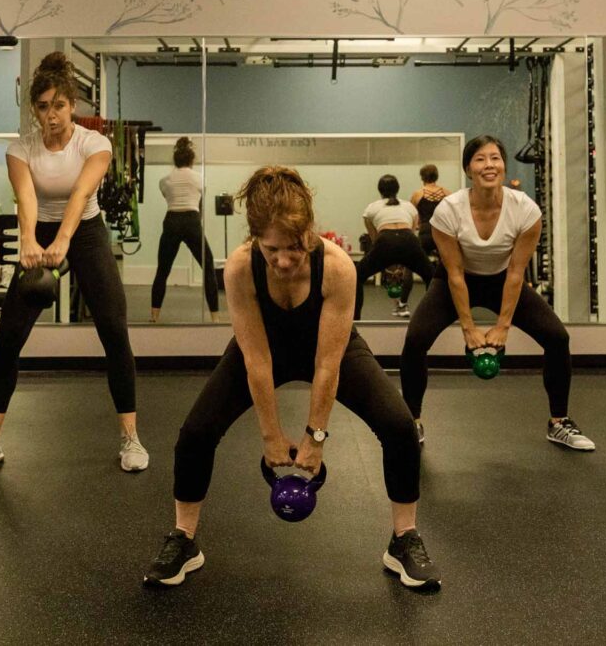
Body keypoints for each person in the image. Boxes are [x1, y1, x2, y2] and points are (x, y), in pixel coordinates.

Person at [143, 166, 440, 590]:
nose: (283, 260)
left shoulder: (337, 267)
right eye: (271, 249)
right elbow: (257, 360)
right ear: (254, 239)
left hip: (329, 346)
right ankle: (184, 539)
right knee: (195, 432)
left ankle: (404, 539)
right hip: (266, 346)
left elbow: (327, 364)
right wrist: (270, 436)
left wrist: (315, 438)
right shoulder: (241, 268)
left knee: (398, 425)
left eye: (294, 247)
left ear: (310, 232)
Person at [0, 52, 147, 476]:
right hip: (38, 230)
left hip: (89, 233)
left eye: (58, 105)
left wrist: (63, 240)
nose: (51, 115)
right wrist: (28, 240)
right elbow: (27, 198)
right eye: (42, 106)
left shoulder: (95, 143)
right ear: (34, 109)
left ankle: (130, 437)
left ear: (72, 105)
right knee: (8, 338)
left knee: (114, 332)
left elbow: (79, 195)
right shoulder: (20, 148)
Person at [399, 135, 594, 450]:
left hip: (504, 278)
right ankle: (411, 422)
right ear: (468, 169)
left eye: (494, 158)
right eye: (480, 159)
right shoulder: (449, 210)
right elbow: (455, 273)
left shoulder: (525, 210)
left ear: (503, 165)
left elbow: (517, 272)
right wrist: (468, 327)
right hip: (455, 279)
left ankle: (559, 422)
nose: (488, 165)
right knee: (415, 339)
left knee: (557, 338)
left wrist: (503, 326)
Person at [150, 137, 220, 323]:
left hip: (172, 220)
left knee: (162, 270)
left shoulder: (164, 180)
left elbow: (166, 196)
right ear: (191, 159)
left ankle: (154, 316)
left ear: (175, 159)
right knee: (208, 267)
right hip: (191, 220)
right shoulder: (200, 178)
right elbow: (200, 203)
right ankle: (215, 317)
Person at [355, 174, 433, 319]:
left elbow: (374, 238)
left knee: (356, 276)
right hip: (408, 239)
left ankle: (355, 318)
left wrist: (385, 261)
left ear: (380, 190)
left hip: (385, 240)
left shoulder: (371, 208)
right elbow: (412, 231)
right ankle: (431, 317)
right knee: (431, 276)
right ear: (397, 189)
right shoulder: (409, 206)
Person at [410, 164, 450, 255]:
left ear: (422, 177)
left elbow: (412, 214)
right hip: (443, 231)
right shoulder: (447, 193)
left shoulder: (418, 194)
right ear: (436, 176)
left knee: (422, 262)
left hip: (426, 231)